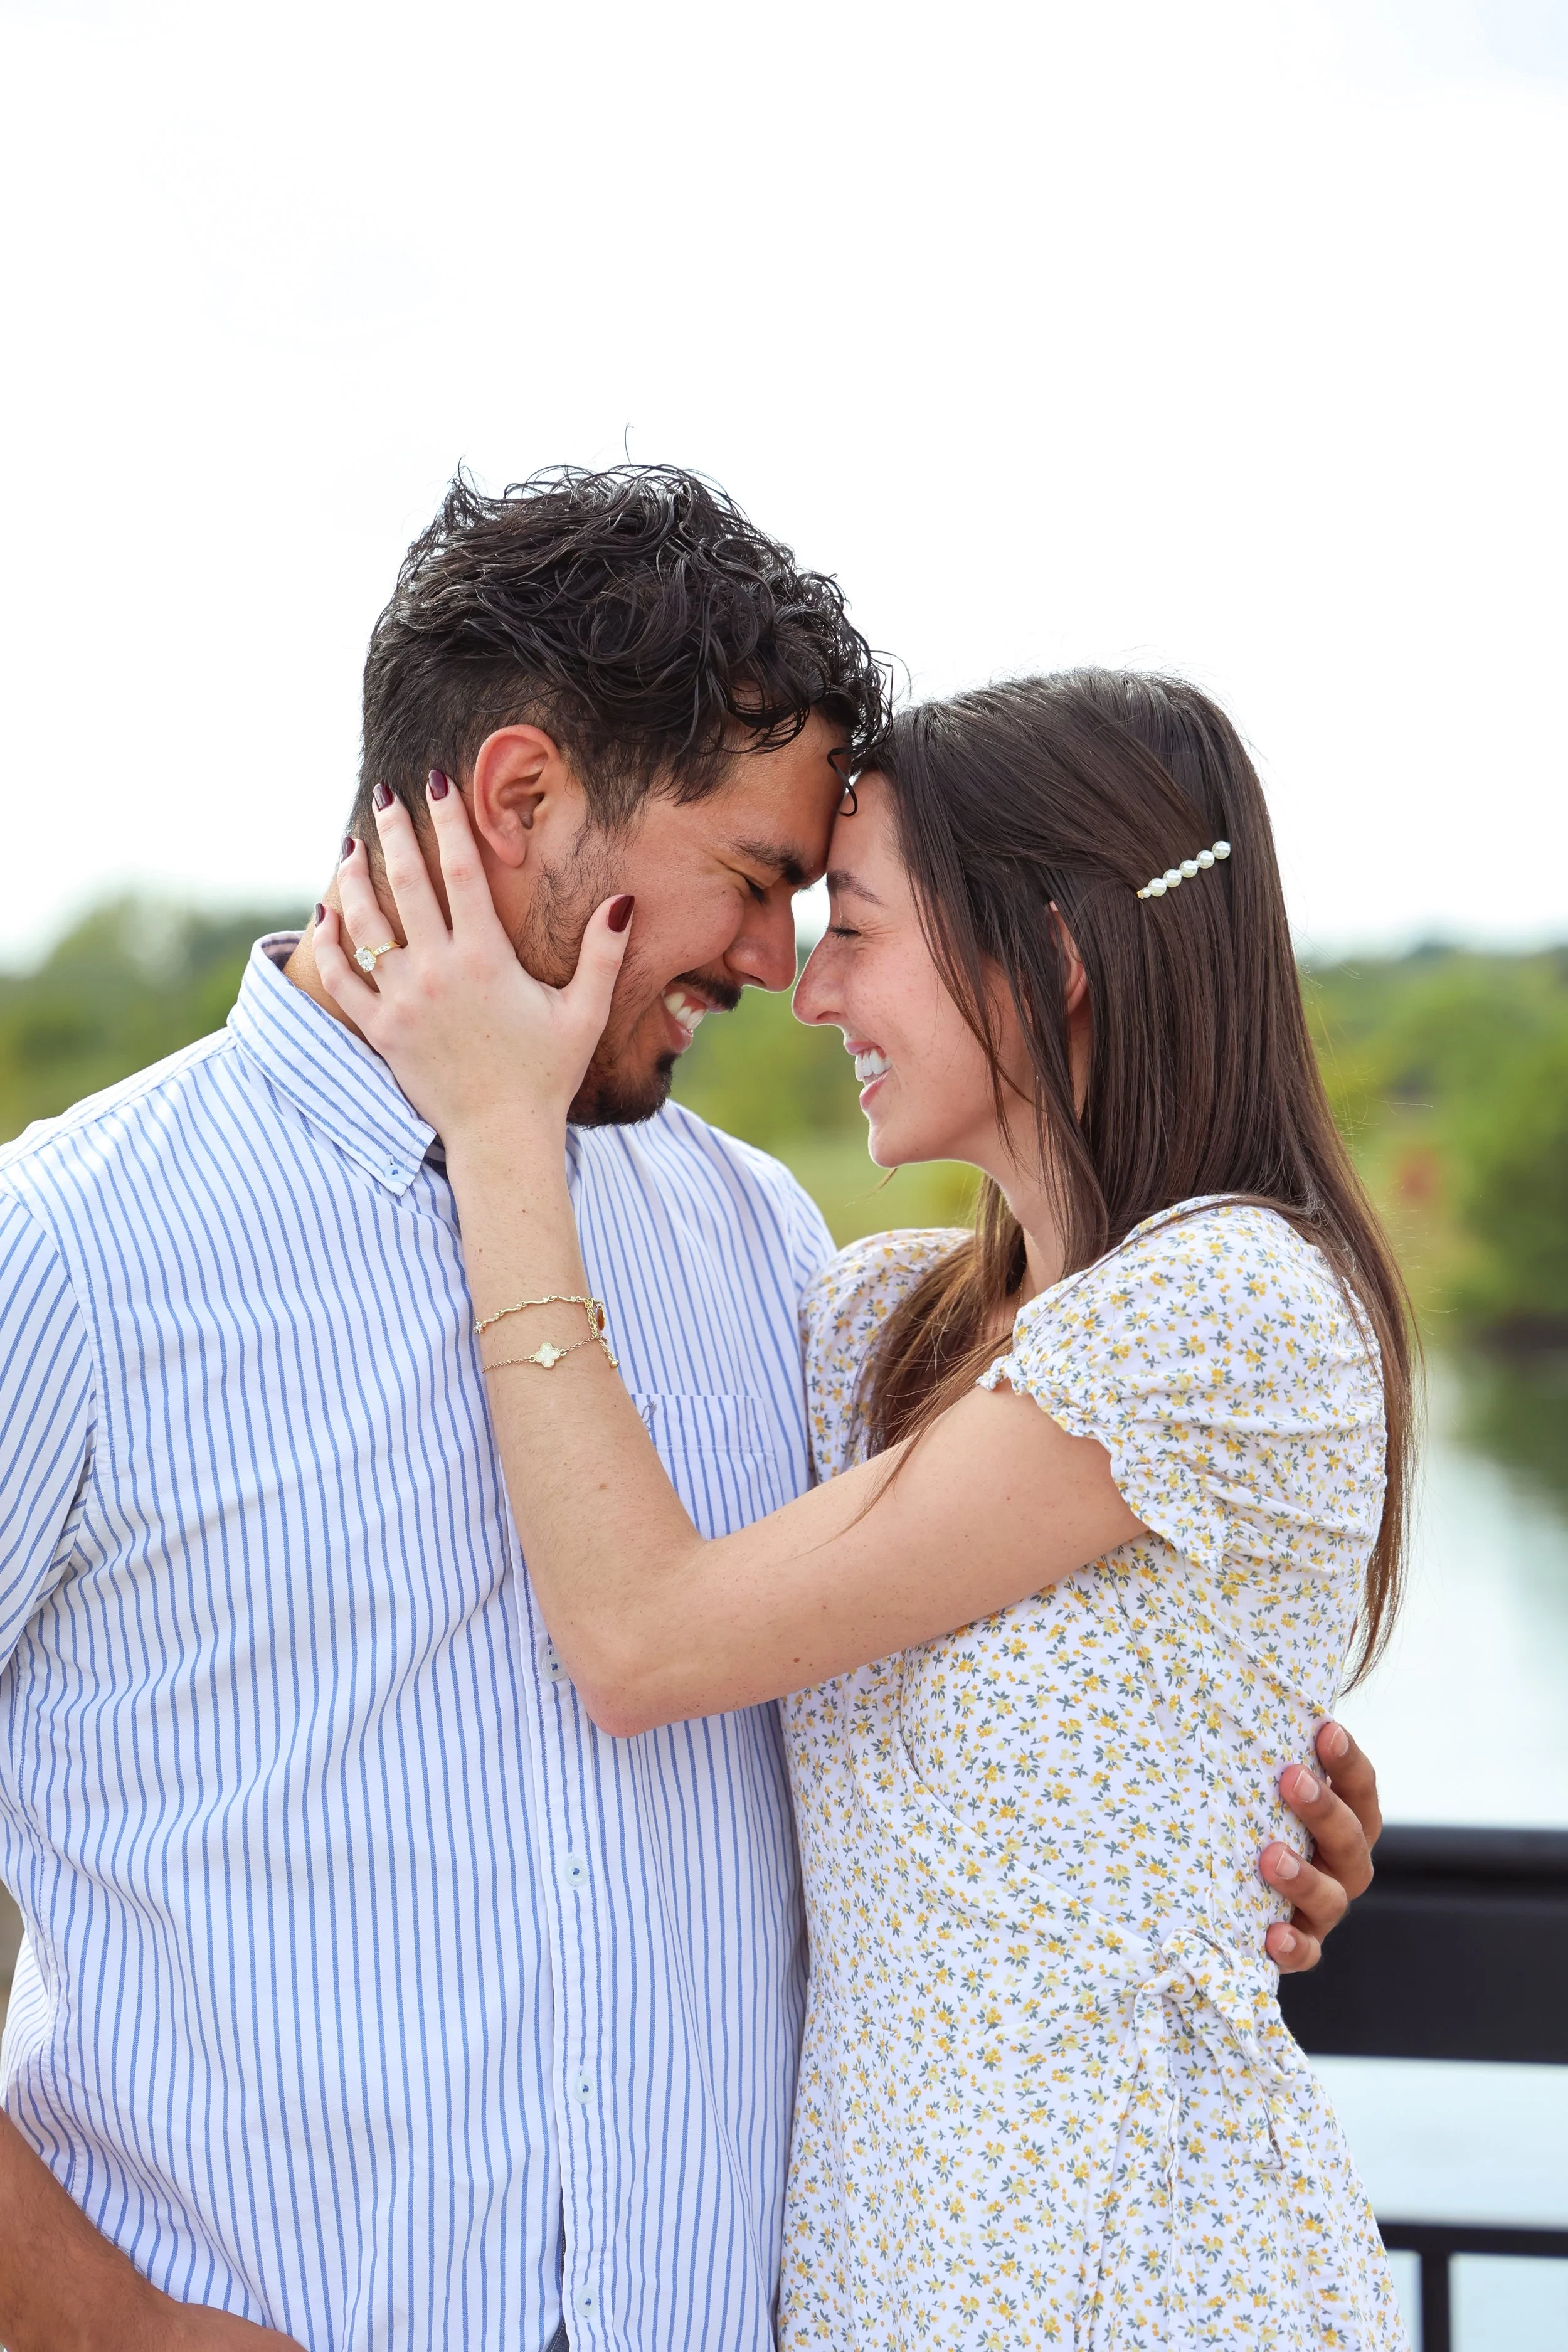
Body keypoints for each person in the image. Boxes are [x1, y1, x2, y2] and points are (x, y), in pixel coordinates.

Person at [0, 469, 1379, 2352]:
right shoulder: (68, 1255)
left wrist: (1236, 1801)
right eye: (748, 880)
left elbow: (959, 1660)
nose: (769, 966)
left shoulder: (762, 1253)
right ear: (518, 800)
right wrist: (118, 2329)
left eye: (819, 907)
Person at [315, 666, 1412, 2348]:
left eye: (858, 928)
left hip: (1147, 2290)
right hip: (876, 2294)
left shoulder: (1231, 1313)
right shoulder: (874, 1330)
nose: (808, 990)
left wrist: (497, 1129)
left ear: (1045, 955)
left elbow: (640, 1635)